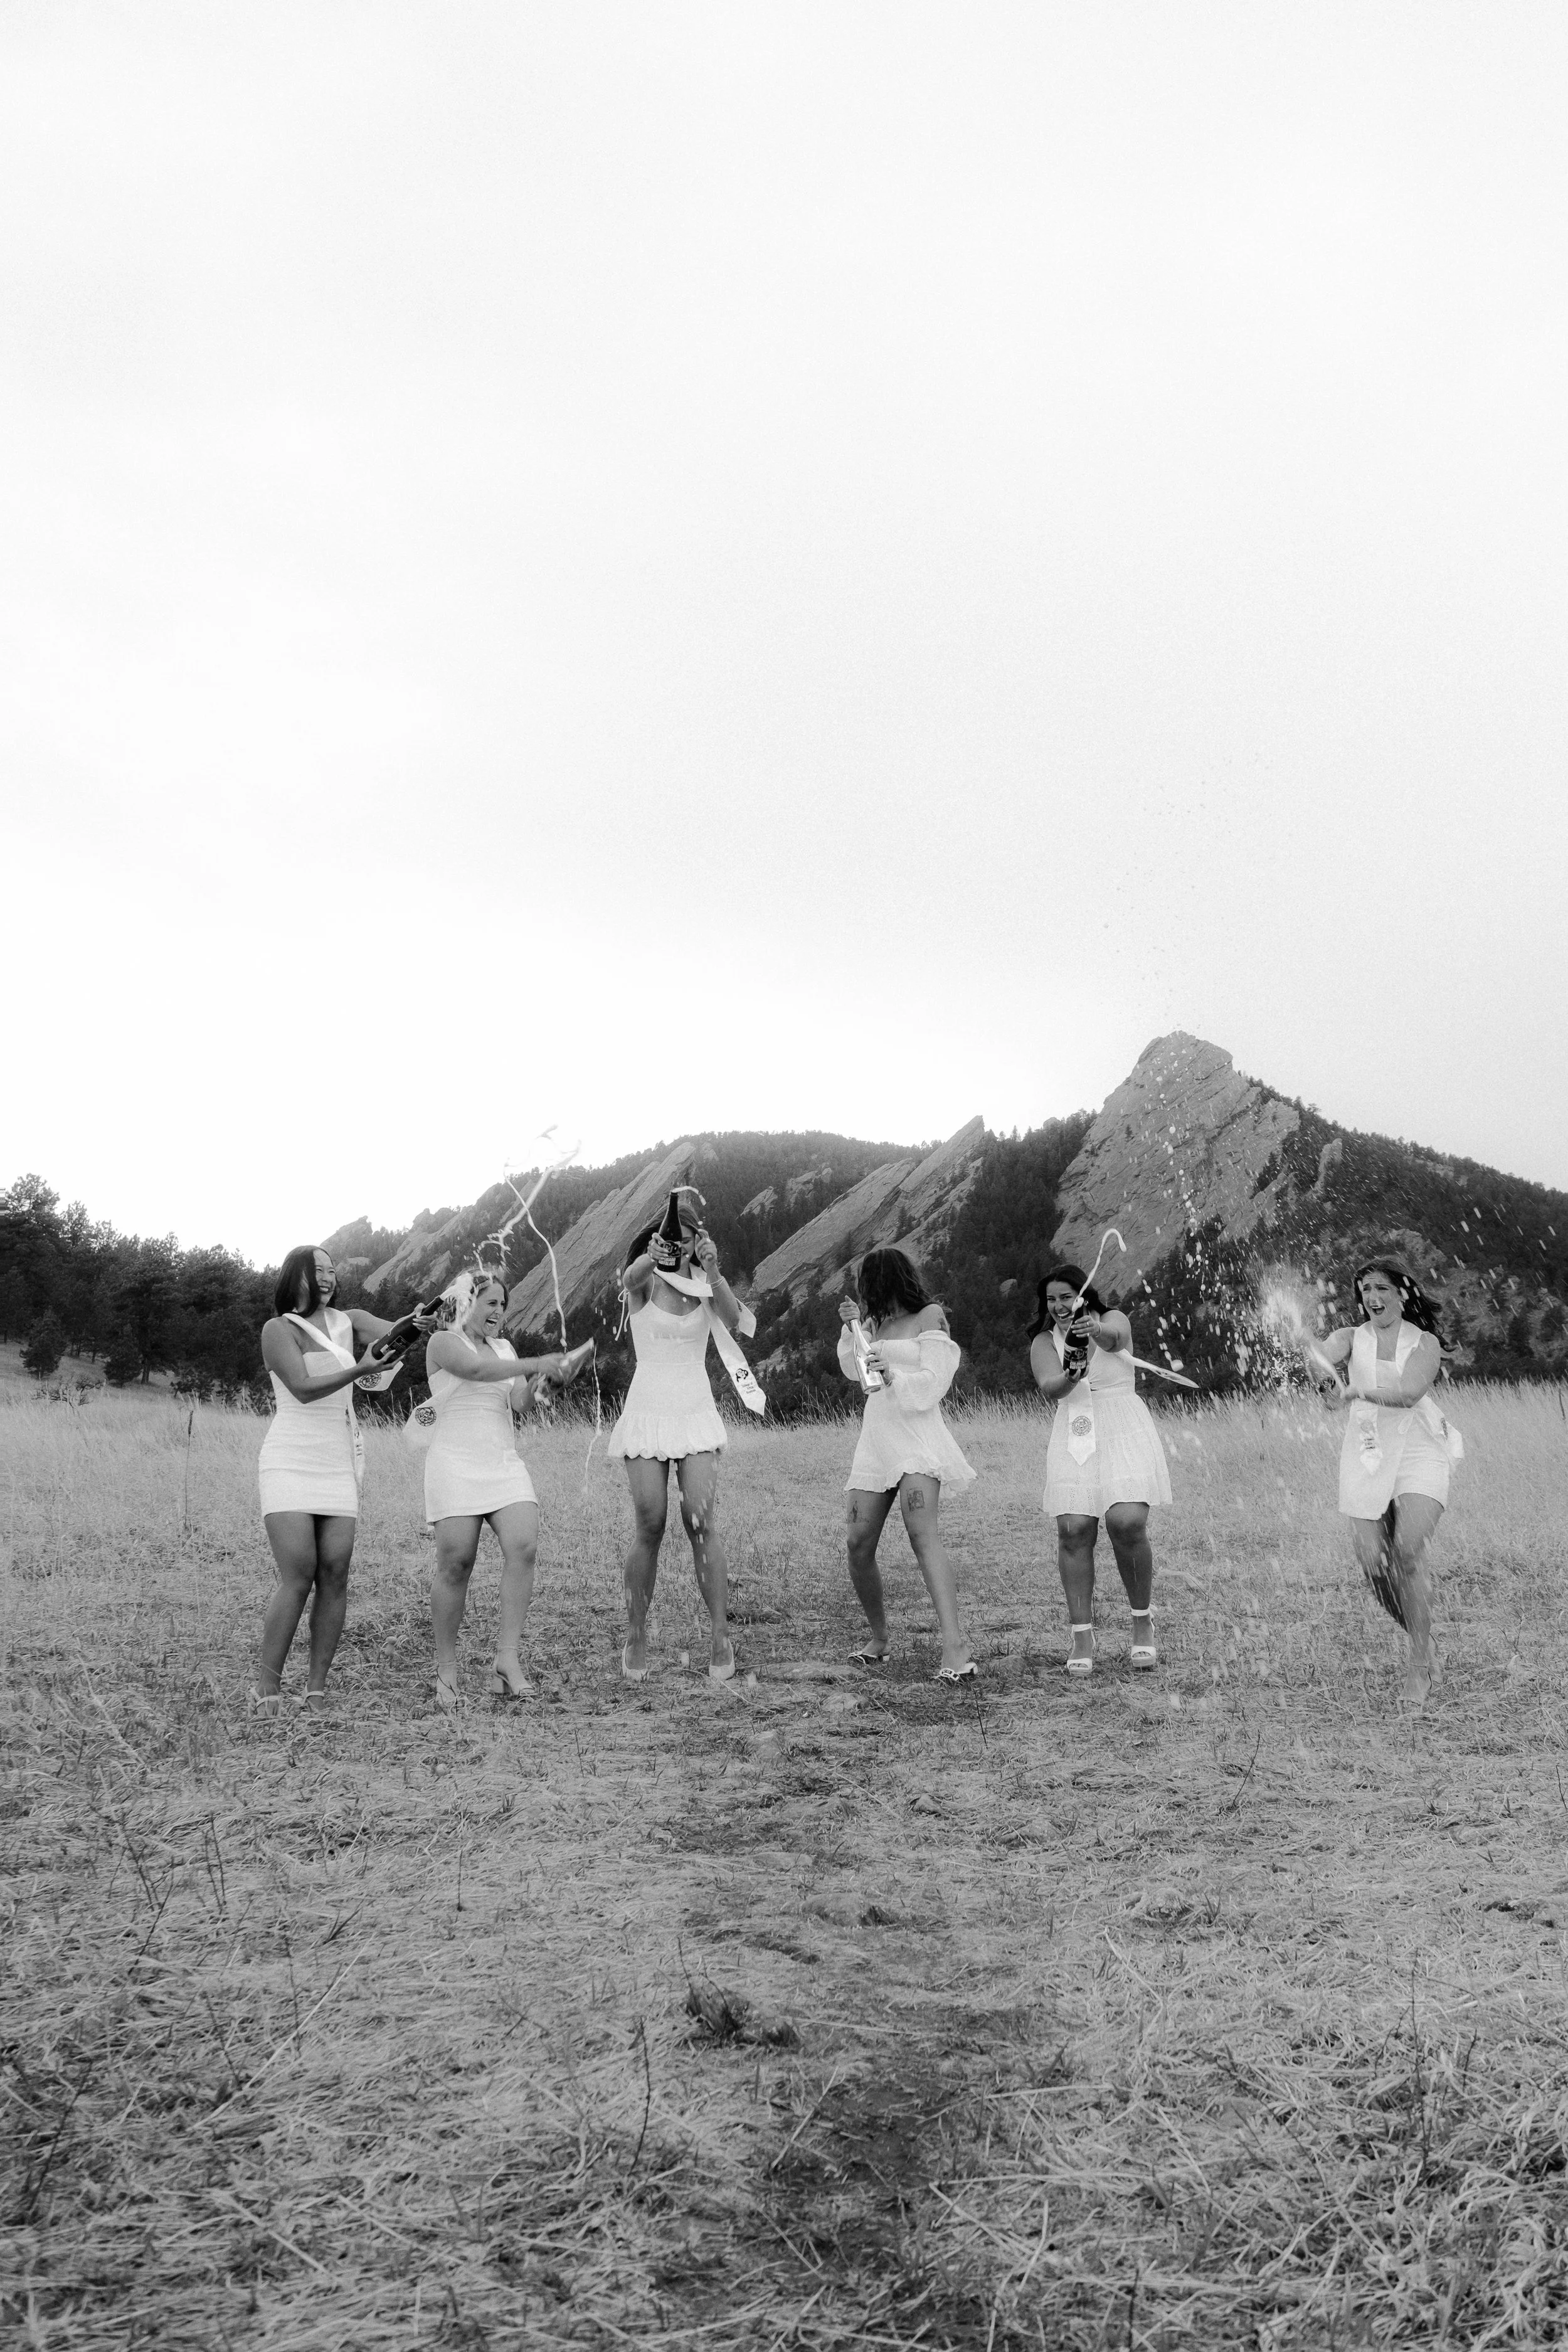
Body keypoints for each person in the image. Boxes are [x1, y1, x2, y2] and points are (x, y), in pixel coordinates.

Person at [256, 1244, 425, 1707]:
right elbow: (305, 1390)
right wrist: (360, 1368)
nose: (327, 1278)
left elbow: (398, 1332)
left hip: (338, 1458)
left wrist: (420, 1319)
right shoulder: (278, 1329)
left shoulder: (350, 1319)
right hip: (291, 1457)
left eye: (332, 1271)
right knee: (299, 1573)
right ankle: (268, 1688)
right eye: (317, 1271)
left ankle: (316, 1689)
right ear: (297, 1277)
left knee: (335, 1573)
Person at [1306, 1256, 1459, 1705]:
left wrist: (1355, 1391)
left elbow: (1410, 1393)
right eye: (1366, 1290)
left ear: (1402, 1293)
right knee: (1374, 1562)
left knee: (1408, 1551)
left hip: (1417, 1449)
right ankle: (1424, 1639)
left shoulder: (1424, 1343)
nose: (1373, 1298)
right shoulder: (1351, 1338)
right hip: (1367, 1450)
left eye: (1382, 1289)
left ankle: (1418, 1666)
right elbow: (1323, 1359)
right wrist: (1322, 1376)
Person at [608, 1193, 745, 1683]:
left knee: (700, 1520)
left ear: (698, 1241)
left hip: (694, 1408)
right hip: (648, 1408)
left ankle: (719, 1635)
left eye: (688, 1240)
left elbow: (733, 1320)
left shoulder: (703, 1284)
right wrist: (653, 1252)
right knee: (650, 1522)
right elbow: (628, 1280)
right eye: (675, 1239)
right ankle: (636, 1634)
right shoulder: (644, 1283)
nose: (681, 1247)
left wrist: (713, 1270)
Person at [423, 1271, 571, 1710]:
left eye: (503, 1305)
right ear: (467, 1303)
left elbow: (518, 1404)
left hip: (501, 1460)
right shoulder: (443, 1342)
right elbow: (474, 1370)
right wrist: (535, 1364)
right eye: (490, 1303)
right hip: (454, 1461)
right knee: (456, 1562)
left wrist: (549, 1382)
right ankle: (446, 1671)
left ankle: (507, 1663)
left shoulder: (506, 1349)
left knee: (523, 1547)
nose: (498, 1313)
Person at [835, 1248, 977, 1682]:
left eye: (874, 1283)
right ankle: (879, 1638)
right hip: (877, 1439)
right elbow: (852, 1371)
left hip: (917, 1437)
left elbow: (938, 1378)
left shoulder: (929, 1315)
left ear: (893, 1280)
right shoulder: (873, 1324)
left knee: (922, 1533)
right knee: (858, 1542)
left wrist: (896, 1375)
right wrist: (852, 1328)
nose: (871, 1291)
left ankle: (955, 1647)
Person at [1028, 1264, 1172, 1677]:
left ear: (1085, 1294)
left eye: (1066, 1297)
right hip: (1074, 1429)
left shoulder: (1111, 1320)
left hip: (1123, 1426)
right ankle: (1082, 1635)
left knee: (1126, 1522)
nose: (1058, 1306)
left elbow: (1116, 1339)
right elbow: (1049, 1387)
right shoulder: (1043, 1341)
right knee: (1074, 1529)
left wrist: (1094, 1332)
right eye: (1051, 1299)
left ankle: (1142, 1622)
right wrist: (1071, 1372)